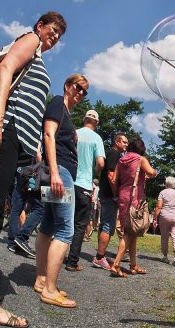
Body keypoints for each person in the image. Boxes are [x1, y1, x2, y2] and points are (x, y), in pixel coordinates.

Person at [0, 11, 66, 327]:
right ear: (40, 26)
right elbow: (6, 69)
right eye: (54, 28)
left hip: (13, 137)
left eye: (61, 33)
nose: (56, 35)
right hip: (4, 131)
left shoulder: (38, 54)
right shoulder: (29, 41)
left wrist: (32, 150)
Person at [33, 73, 87, 309]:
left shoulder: (66, 111)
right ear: (67, 86)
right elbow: (48, 135)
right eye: (78, 87)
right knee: (65, 229)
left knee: (48, 225)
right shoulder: (57, 101)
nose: (81, 93)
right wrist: (55, 172)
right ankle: (50, 289)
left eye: (85, 91)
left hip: (59, 172)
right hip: (59, 173)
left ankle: (41, 279)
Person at [109, 137, 157, 277]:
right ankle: (116, 264)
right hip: (135, 198)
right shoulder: (140, 159)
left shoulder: (121, 160)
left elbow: (113, 179)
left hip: (123, 196)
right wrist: (154, 173)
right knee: (129, 233)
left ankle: (133, 265)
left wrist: (117, 193)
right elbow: (151, 172)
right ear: (141, 149)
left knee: (132, 231)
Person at [65, 110, 105, 272]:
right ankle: (72, 262)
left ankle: (56, 255)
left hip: (67, 181)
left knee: (61, 221)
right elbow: (101, 164)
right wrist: (92, 171)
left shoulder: (74, 133)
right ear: (97, 123)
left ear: (84, 120)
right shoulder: (97, 138)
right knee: (80, 225)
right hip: (84, 186)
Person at [92, 132, 128, 270]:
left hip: (105, 194)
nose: (126, 144)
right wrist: (115, 195)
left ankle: (100, 255)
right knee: (108, 226)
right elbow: (111, 176)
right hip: (109, 195)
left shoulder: (112, 154)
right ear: (116, 142)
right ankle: (100, 258)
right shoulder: (114, 154)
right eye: (124, 142)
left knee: (104, 225)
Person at [7, 169, 44, 258]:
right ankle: (21, 238)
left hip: (22, 172)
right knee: (41, 208)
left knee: (16, 209)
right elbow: (39, 157)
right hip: (36, 175)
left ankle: (13, 242)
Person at [153, 176, 175, 267]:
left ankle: (165, 256)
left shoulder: (162, 192)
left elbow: (159, 206)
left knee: (164, 236)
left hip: (165, 216)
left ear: (166, 184)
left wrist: (154, 218)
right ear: (174, 185)